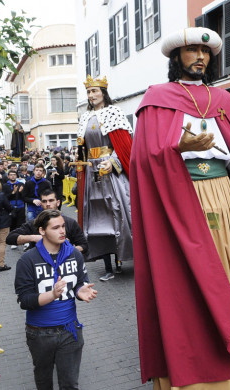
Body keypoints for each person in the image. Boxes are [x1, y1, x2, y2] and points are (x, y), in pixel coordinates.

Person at [130, 27, 230, 389]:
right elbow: (144, 161)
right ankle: (193, 375)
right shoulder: (156, 99)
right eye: (192, 51)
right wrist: (176, 147)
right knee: (189, 286)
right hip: (180, 203)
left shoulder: (224, 100)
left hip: (223, 198)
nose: (200, 58)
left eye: (205, 53)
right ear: (176, 57)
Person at [14, 210, 97, 390]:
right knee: (44, 381)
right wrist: (52, 295)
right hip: (39, 333)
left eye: (63, 226)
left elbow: (80, 283)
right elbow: (24, 301)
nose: (62, 232)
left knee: (69, 384)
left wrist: (80, 291)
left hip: (70, 330)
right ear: (42, 231)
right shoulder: (27, 260)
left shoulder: (75, 254)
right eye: (56, 227)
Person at [78, 74, 133, 281]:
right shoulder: (84, 117)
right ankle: (107, 264)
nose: (91, 95)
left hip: (111, 172)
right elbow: (81, 149)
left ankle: (122, 258)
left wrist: (113, 162)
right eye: (89, 92)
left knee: (117, 214)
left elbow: (125, 145)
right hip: (92, 175)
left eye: (94, 91)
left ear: (103, 93)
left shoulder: (114, 113)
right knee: (96, 221)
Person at [6, 189, 88, 256]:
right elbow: (10, 238)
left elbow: (84, 246)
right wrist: (35, 238)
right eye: (44, 201)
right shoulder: (34, 223)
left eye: (51, 200)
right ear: (41, 204)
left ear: (58, 202)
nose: (48, 204)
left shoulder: (70, 223)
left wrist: (68, 250)